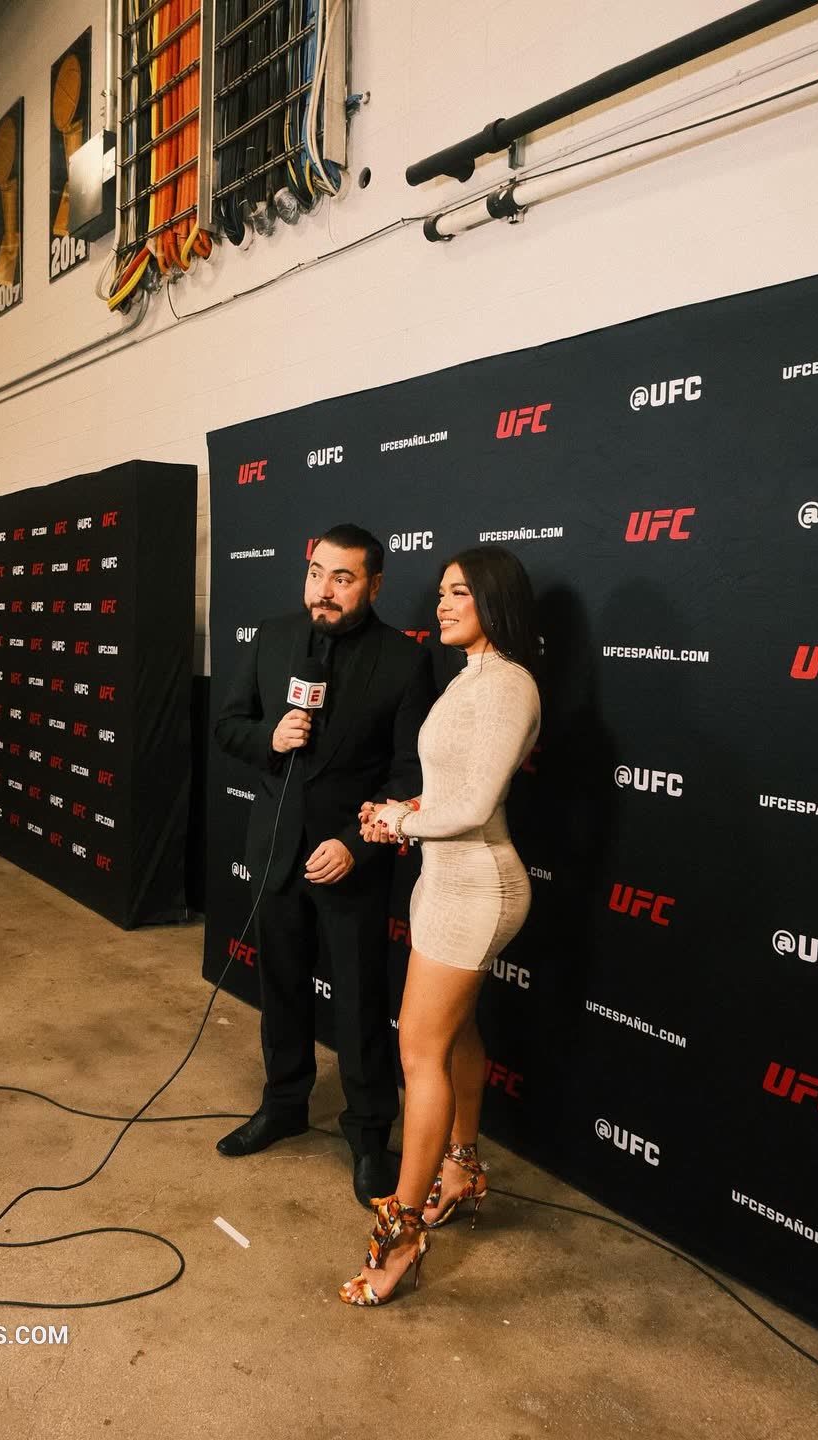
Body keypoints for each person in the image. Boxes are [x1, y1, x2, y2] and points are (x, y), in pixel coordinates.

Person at [339, 545, 541, 1305]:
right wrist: (406, 811)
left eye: (460, 592)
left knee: (419, 1051)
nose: (443, 604)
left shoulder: (509, 683)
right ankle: (461, 1168)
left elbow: (479, 803)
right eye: (442, 592)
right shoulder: (470, 676)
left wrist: (401, 820)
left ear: (495, 599)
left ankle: (400, 1237)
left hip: (477, 887)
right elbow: (452, 790)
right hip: (444, 880)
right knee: (453, 1036)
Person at [214, 523, 436, 1206]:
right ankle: (284, 1105)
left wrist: (356, 844)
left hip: (350, 862)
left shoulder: (405, 659)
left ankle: (369, 1135)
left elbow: (409, 772)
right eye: (317, 574)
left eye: (343, 578)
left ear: (374, 585)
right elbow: (228, 725)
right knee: (281, 988)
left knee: (362, 1003)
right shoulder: (273, 636)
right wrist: (270, 738)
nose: (325, 590)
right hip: (277, 853)